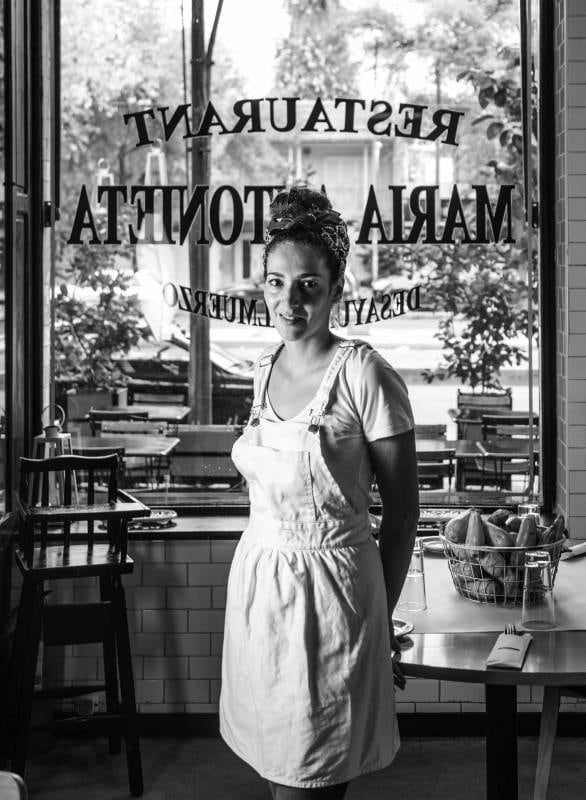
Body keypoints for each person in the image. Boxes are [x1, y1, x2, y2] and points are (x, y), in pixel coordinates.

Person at [219, 186, 419, 800]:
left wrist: (380, 621)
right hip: (261, 596)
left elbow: (403, 514)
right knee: (275, 766)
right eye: (277, 283)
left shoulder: (364, 373)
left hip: (332, 599)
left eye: (308, 284)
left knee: (308, 780)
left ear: (335, 289)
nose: (290, 300)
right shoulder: (263, 369)